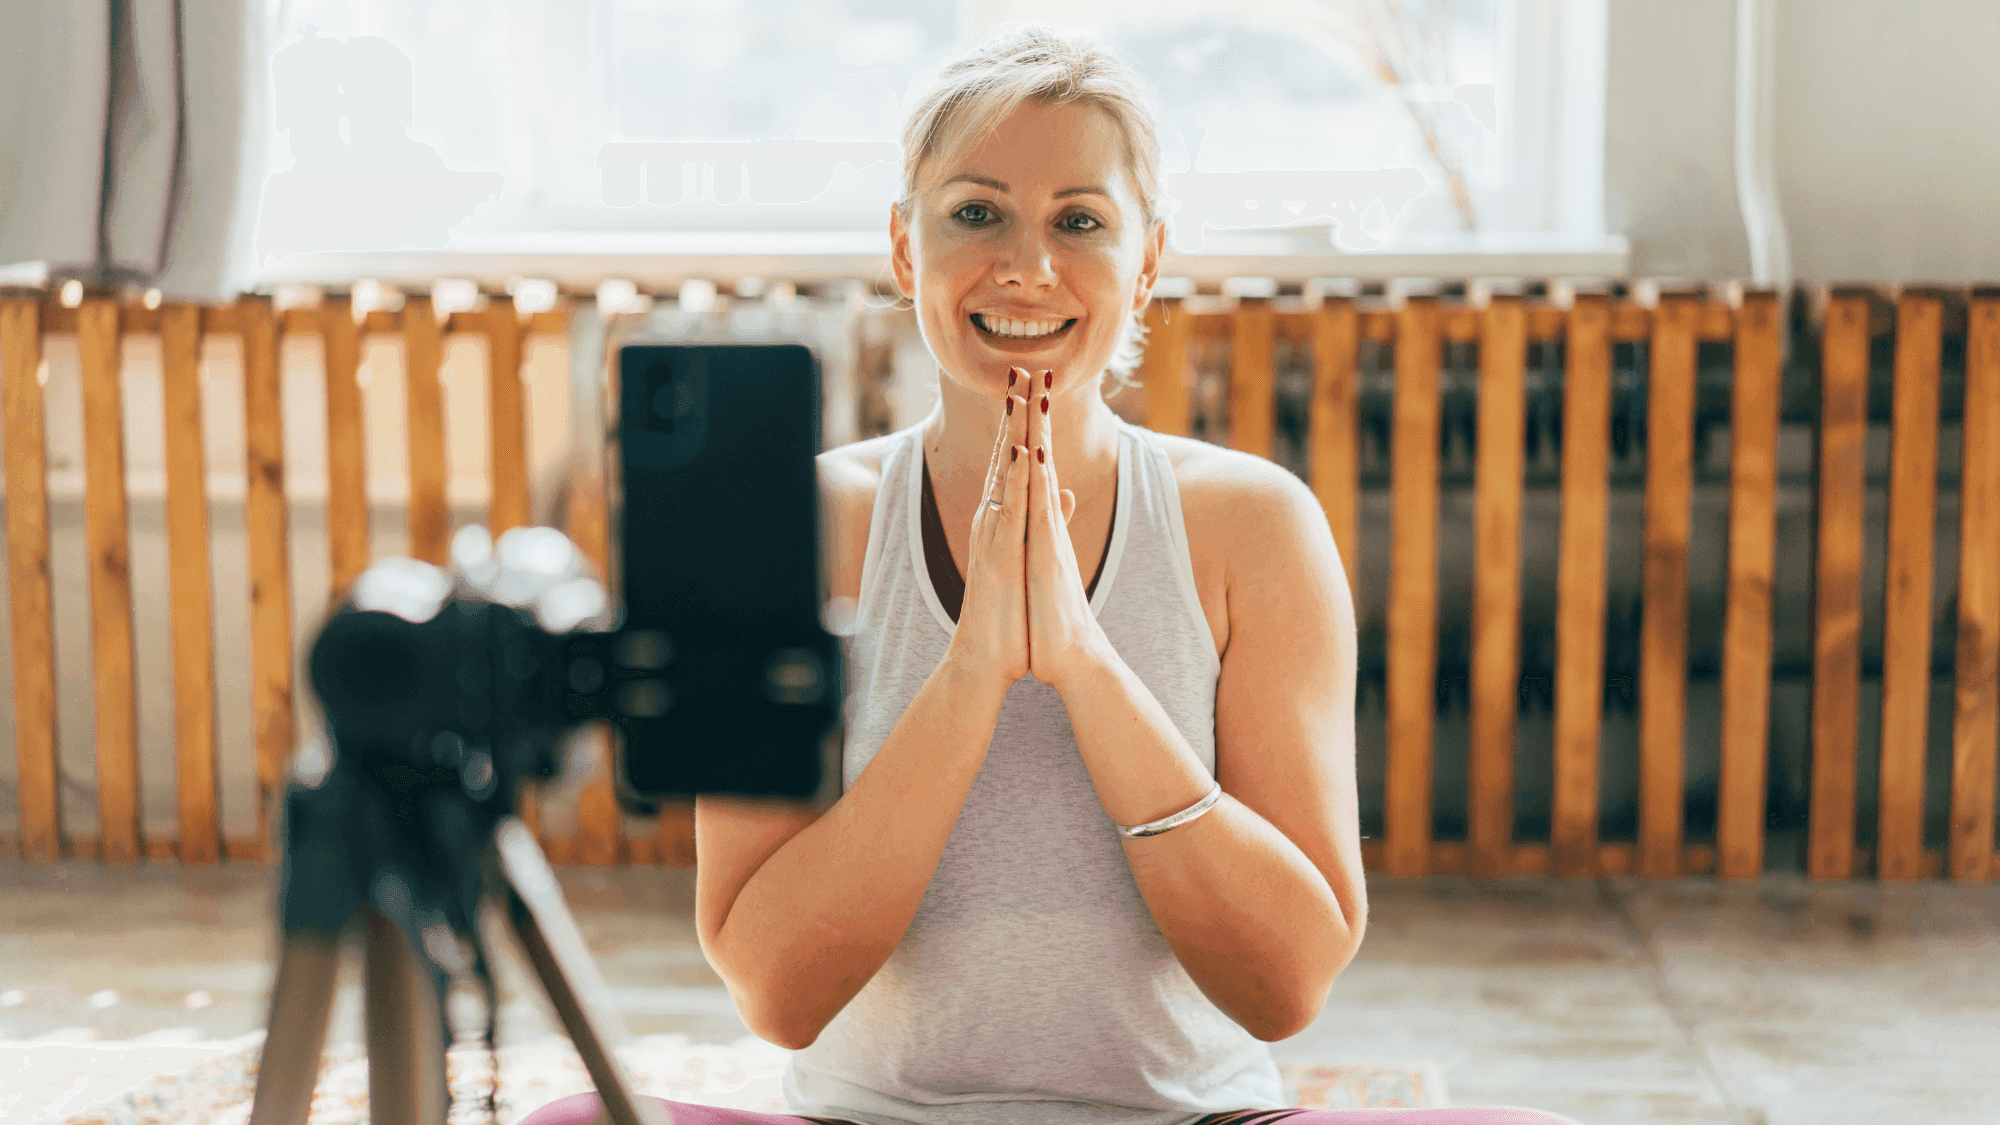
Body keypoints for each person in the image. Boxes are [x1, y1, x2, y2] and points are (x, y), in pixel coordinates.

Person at [522, 23, 1580, 1125]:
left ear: (1148, 263)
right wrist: (971, 674)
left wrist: (1081, 666)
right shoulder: (796, 522)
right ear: (902, 248)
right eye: (975, 213)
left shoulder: (1253, 525)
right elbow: (777, 992)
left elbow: (1285, 982)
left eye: (1079, 222)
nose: (1026, 267)